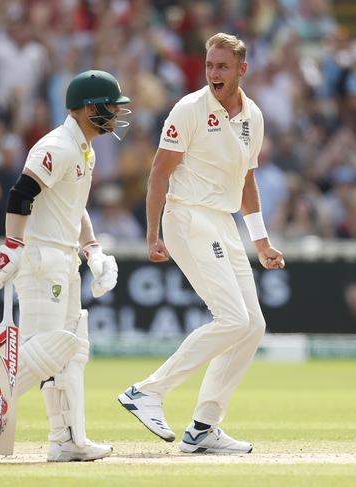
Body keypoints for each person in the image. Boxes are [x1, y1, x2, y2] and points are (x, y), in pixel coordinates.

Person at [0, 70, 130, 461]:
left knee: (72, 351)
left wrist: (91, 249)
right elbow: (22, 192)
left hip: (64, 260)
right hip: (42, 259)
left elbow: (73, 208)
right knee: (48, 348)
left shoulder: (85, 150)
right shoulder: (58, 145)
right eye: (110, 107)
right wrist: (13, 244)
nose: (115, 114)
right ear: (87, 108)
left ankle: (66, 439)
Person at [117, 33, 284, 455]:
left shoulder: (254, 117)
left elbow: (247, 182)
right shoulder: (188, 109)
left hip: (223, 223)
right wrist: (152, 234)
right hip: (187, 215)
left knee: (253, 326)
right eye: (210, 66)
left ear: (241, 70)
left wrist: (262, 242)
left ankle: (204, 427)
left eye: (223, 67)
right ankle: (147, 393)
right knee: (231, 318)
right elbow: (158, 172)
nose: (214, 74)